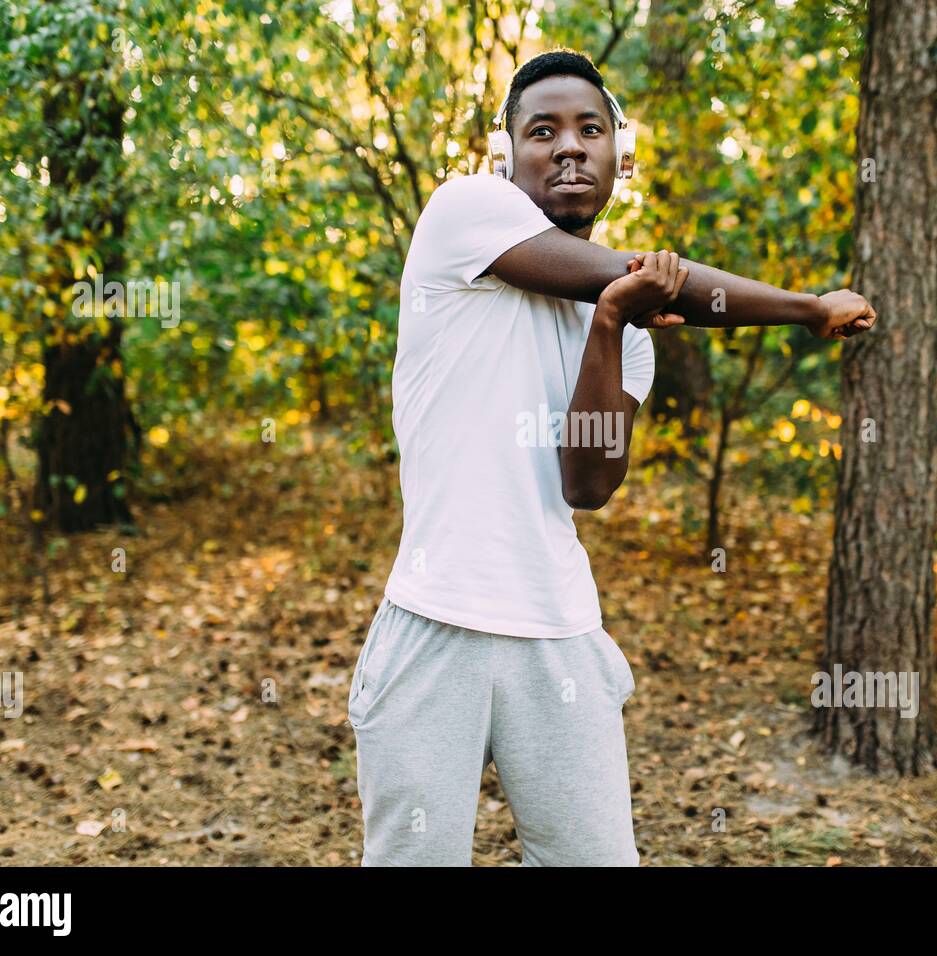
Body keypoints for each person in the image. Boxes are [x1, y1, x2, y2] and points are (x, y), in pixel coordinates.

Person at [346, 48, 876, 867]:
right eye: (542, 131)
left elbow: (587, 484)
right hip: (433, 624)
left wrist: (609, 326)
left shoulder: (631, 333)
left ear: (617, 157)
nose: (567, 147)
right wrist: (807, 308)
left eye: (590, 130)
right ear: (507, 155)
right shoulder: (465, 214)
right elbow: (648, 280)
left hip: (560, 636)